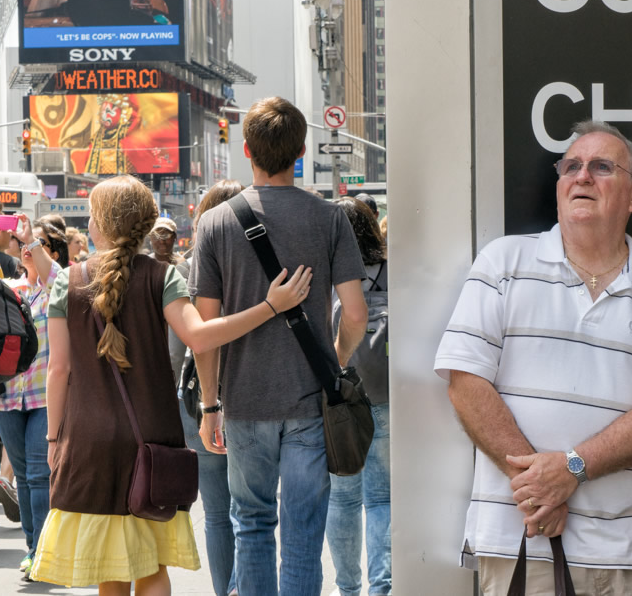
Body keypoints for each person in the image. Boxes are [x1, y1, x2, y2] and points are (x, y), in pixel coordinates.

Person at [434, 120, 632, 595]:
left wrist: (571, 469)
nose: (581, 177)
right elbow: (465, 382)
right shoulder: (503, 262)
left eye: (602, 167)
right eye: (570, 166)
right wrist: (542, 489)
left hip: (627, 554)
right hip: (521, 539)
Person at [30, 174, 313, 594]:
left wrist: (54, 440)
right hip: (152, 439)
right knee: (152, 566)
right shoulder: (163, 276)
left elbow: (59, 371)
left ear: (101, 223)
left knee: (112, 571)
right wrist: (270, 306)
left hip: (87, 442)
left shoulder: (66, 281)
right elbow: (199, 337)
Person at [190, 96, 368, 595]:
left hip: (244, 403)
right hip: (311, 401)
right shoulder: (330, 219)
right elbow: (355, 313)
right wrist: (335, 360)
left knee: (251, 526)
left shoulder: (215, 223)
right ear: (301, 151)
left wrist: (210, 405)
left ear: (246, 150)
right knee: (304, 535)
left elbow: (207, 332)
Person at [169, 179, 243, 596]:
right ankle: (241, 587)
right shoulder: (255, 265)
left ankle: (226, 590)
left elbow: (178, 351)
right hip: (250, 392)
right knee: (251, 509)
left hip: (198, 400)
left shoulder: (183, 270)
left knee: (216, 513)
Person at [0, 215, 67, 581]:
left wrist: (29, 237)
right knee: (22, 475)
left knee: (39, 474)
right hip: (5, 396)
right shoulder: (10, 288)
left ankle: (41, 554)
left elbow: (56, 278)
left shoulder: (58, 288)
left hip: (43, 396)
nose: (25, 253)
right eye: (21, 248)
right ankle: (33, 547)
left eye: (35, 249)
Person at [326, 197, 391, 596]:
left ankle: (347, 589)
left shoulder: (326, 272)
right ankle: (382, 587)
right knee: (382, 498)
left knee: (344, 498)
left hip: (342, 394)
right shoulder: (392, 269)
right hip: (386, 389)